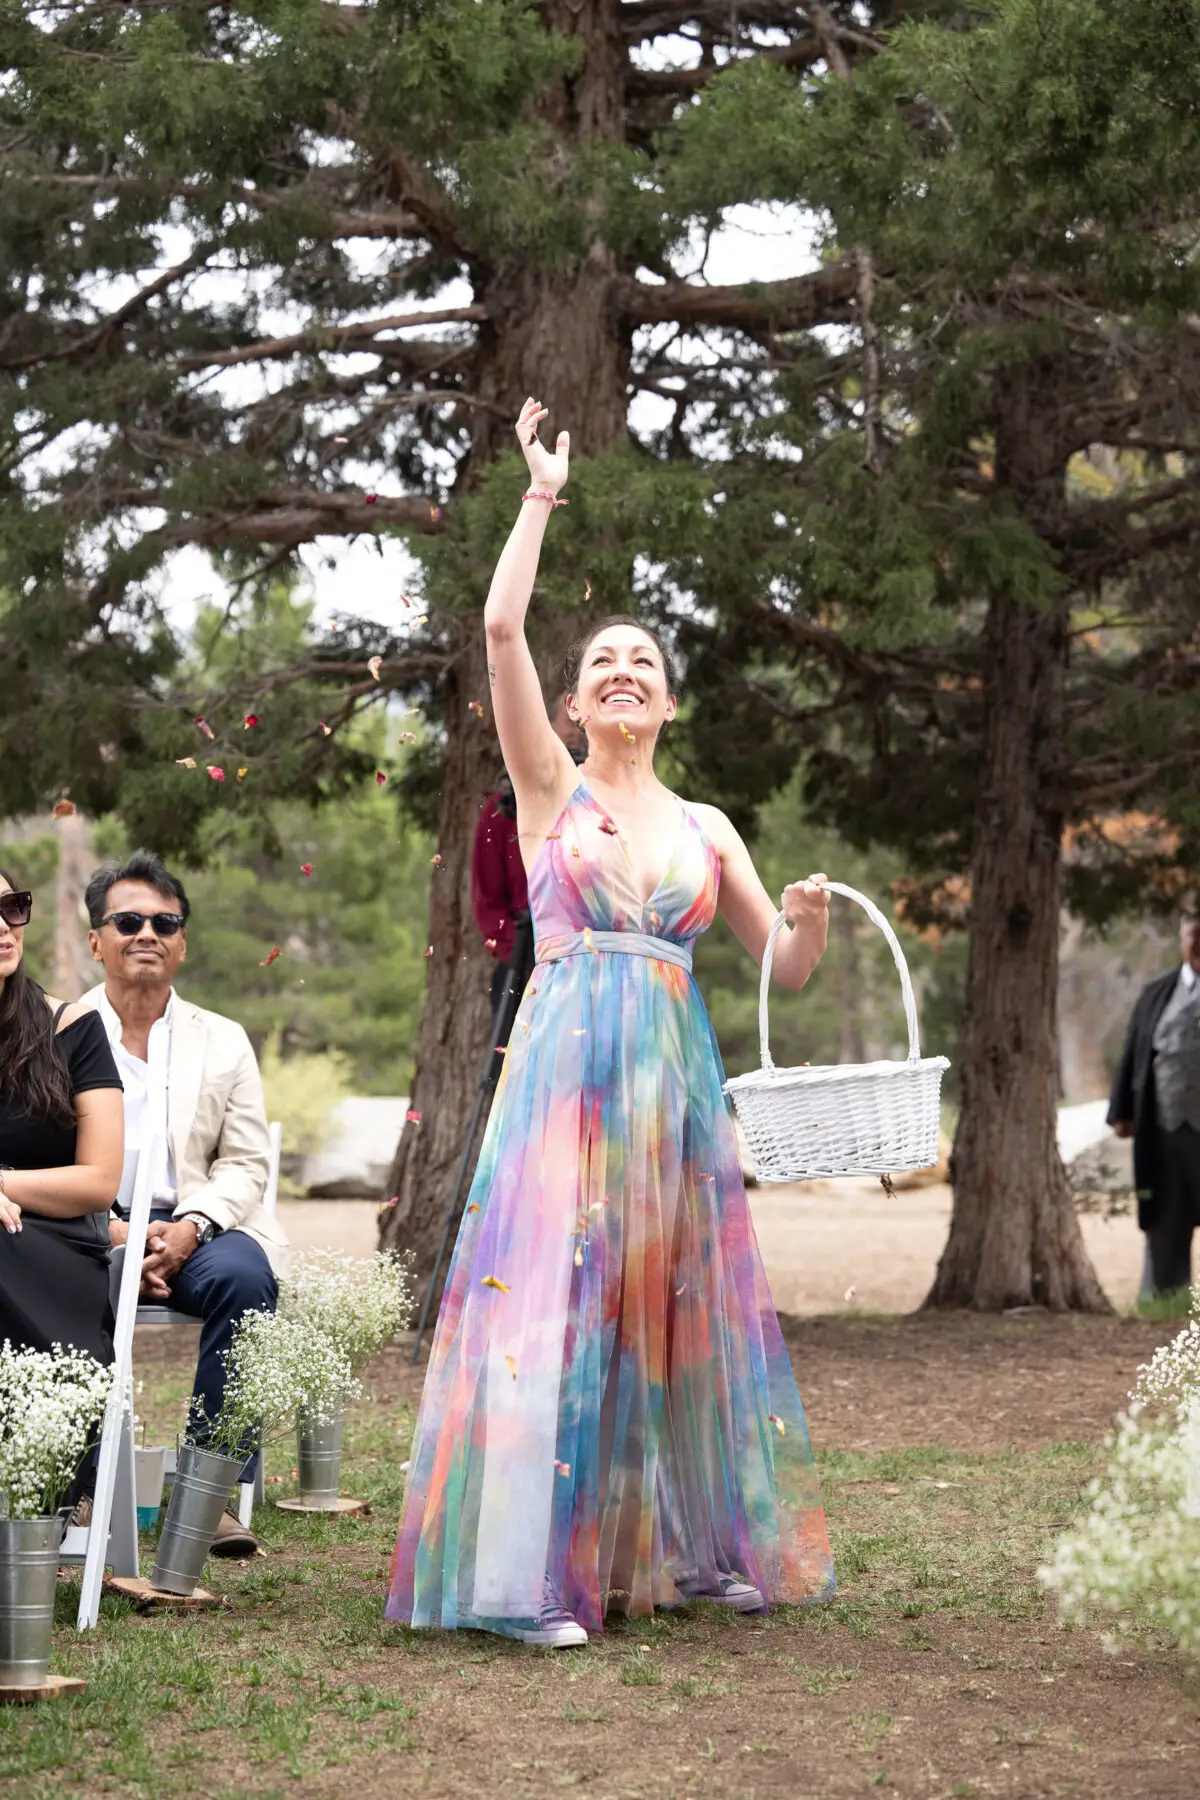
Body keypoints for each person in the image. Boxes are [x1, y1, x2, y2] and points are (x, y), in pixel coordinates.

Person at [387, 398, 836, 1648]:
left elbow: (783, 970)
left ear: (671, 704)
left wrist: (807, 917)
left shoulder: (709, 828)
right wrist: (539, 498)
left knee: (678, 1304)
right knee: (555, 1304)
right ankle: (526, 1576)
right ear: (577, 705)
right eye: (603, 667)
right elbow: (495, 627)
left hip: (673, 1091)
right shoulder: (549, 790)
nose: (623, 675)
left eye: (644, 663)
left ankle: (689, 1550)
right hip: (568, 1078)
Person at [78, 851, 289, 1556]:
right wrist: (113, 1235)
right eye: (129, 920)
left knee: (246, 1280)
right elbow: (44, 1156)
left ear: (183, 942)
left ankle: (207, 1495)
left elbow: (247, 1162)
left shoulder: (222, 1038)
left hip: (197, 1225)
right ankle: (78, 1491)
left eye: (165, 922)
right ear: (95, 941)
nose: (148, 933)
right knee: (48, 1278)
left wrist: (191, 1228)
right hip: (89, 1227)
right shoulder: (57, 1031)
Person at [0, 868, 125, 1365]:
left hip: (53, 1243)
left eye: (12, 908)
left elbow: (99, 1182)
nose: (4, 927)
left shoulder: (74, 1029)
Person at [472, 697, 585, 1026]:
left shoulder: (610, 805)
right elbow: (488, 906)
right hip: (524, 967)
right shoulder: (503, 808)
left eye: (585, 721)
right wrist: (528, 956)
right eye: (570, 720)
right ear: (549, 727)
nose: (579, 731)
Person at [1109, 909, 1200, 1297]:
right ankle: (1166, 1300)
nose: (1197, 941)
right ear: (1182, 937)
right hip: (1162, 1128)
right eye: (1193, 933)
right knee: (1166, 1215)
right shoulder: (1156, 993)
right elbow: (1134, 1052)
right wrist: (1121, 1111)